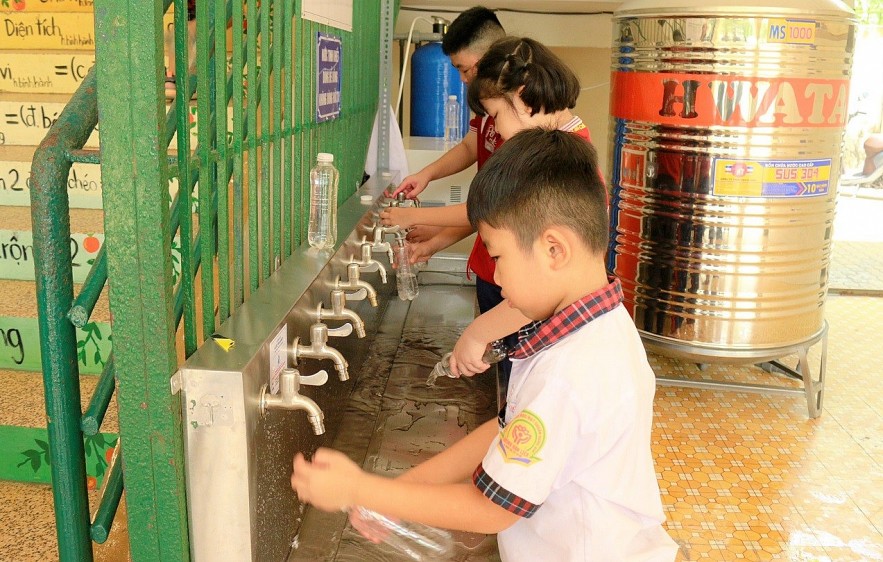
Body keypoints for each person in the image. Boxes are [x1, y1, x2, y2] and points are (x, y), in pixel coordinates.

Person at [291, 129, 678, 561]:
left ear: (554, 249)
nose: (494, 276)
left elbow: (490, 510)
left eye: (497, 256)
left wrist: (359, 488)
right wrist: (400, 493)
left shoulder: (572, 372)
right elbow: (506, 429)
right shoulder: (592, 328)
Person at [383, 37, 591, 398]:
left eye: (495, 116)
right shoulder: (552, 150)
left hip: (555, 343)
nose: (497, 130)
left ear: (523, 98)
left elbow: (550, 289)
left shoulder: (555, 165)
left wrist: (479, 331)